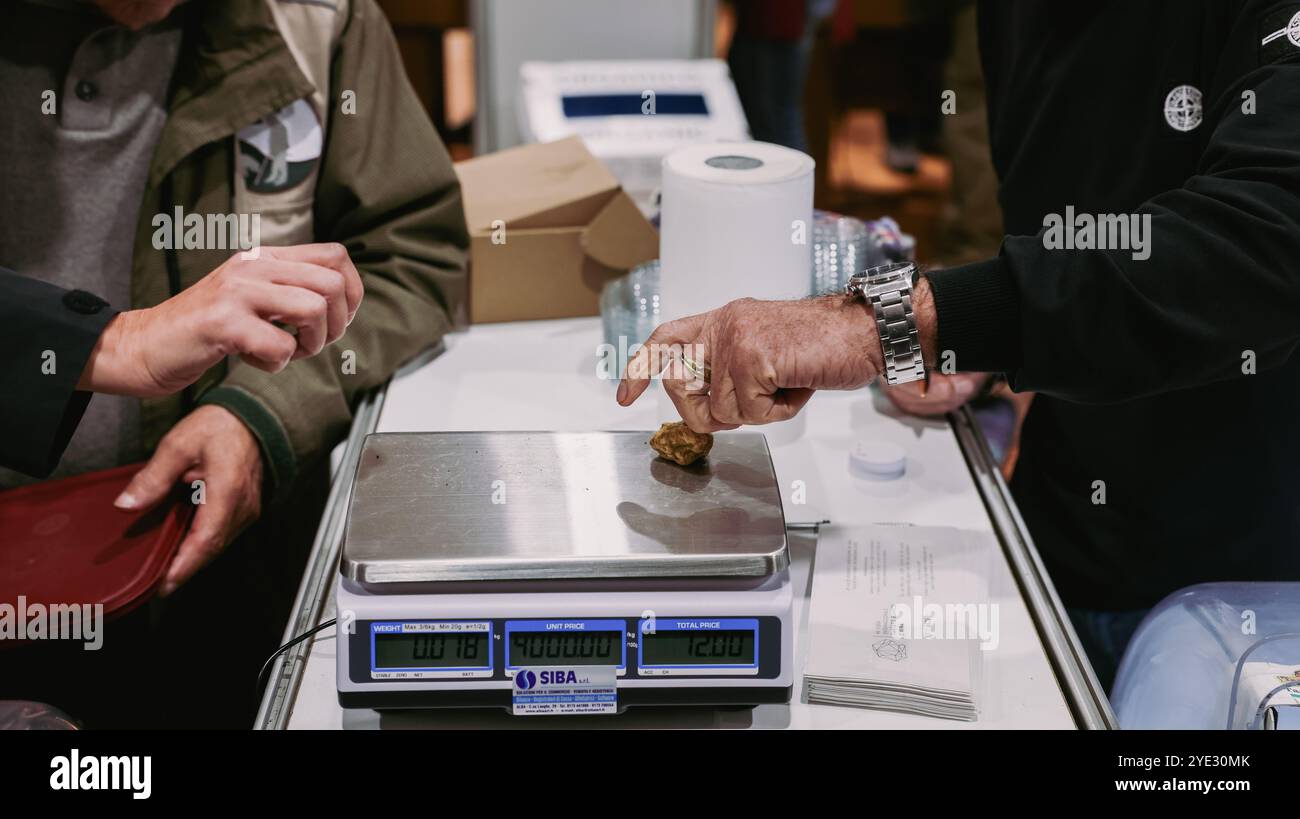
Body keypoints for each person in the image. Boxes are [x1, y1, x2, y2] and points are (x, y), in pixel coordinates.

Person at [619, 0, 1300, 690]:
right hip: (1061, 531)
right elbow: (1073, 221)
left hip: (1246, 590)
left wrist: (894, 321)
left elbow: (1265, 242)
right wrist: (992, 346)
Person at [0, 0, 468, 725]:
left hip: (228, 592)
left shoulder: (317, 21)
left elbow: (408, 256)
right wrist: (111, 342)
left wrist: (258, 413)